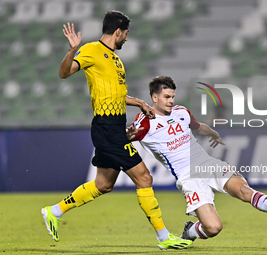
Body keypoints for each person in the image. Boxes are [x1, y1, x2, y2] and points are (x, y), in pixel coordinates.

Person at [41, 11, 192, 250]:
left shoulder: (116, 60)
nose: (127, 39)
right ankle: (164, 237)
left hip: (113, 127)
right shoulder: (91, 50)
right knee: (144, 177)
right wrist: (72, 50)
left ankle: (54, 211)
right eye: (126, 34)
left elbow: (119, 95)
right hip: (106, 128)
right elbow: (64, 73)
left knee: (103, 184)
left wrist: (141, 103)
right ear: (118, 32)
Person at [127, 75, 267, 242]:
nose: (171, 101)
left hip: (208, 164)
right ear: (155, 97)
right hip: (188, 177)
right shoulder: (145, 123)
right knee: (213, 227)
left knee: (243, 190)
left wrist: (212, 132)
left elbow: (198, 128)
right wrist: (128, 135)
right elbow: (123, 138)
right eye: (166, 97)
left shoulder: (181, 112)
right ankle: (191, 231)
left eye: (172, 97)